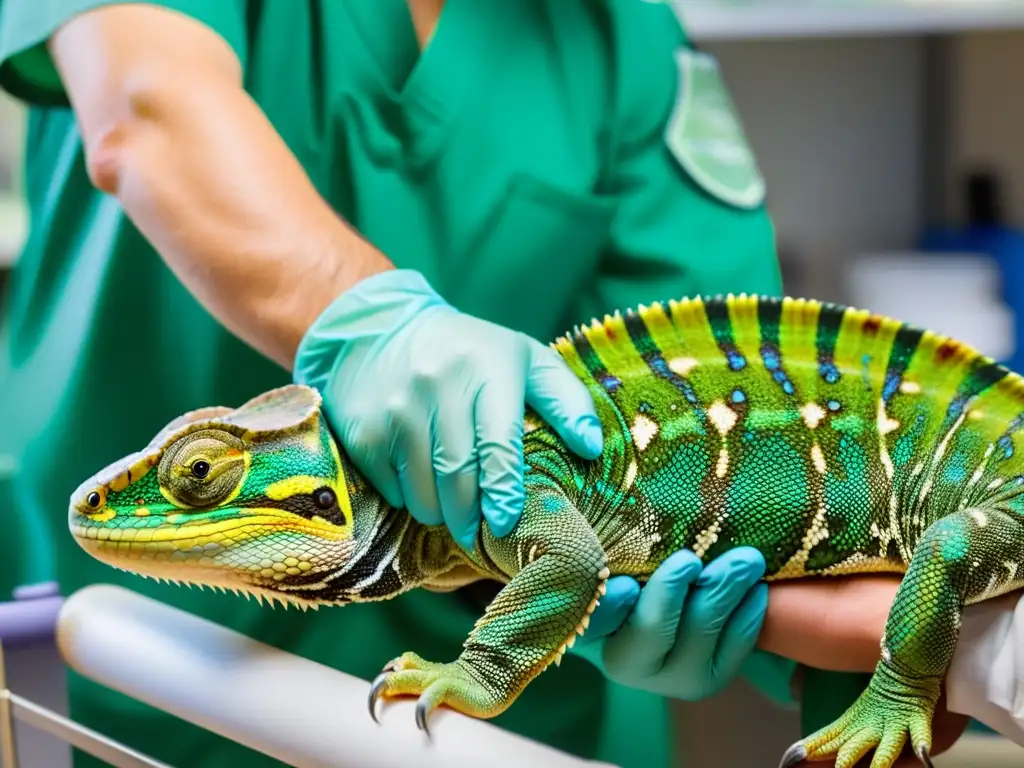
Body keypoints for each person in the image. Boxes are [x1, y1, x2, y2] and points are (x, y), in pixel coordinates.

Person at [0, 0, 974, 765]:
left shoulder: (623, 40)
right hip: (121, 681)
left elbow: (776, 431)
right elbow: (146, 111)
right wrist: (374, 324)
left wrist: (869, 657)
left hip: (512, 726)